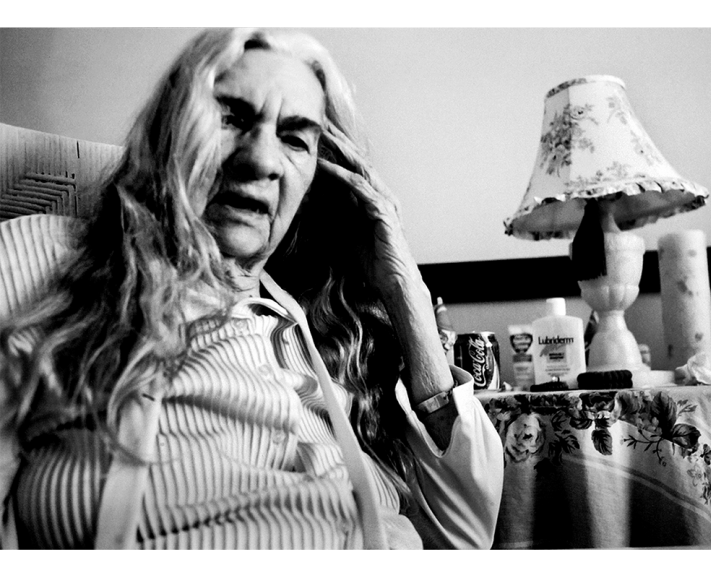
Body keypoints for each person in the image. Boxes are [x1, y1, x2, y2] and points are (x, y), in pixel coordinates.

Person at [0, 27, 503, 550]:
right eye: (232, 118)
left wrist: (403, 289)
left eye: (295, 139)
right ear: (170, 134)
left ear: (317, 180)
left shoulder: (328, 339)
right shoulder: (48, 259)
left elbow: (465, 533)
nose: (261, 160)